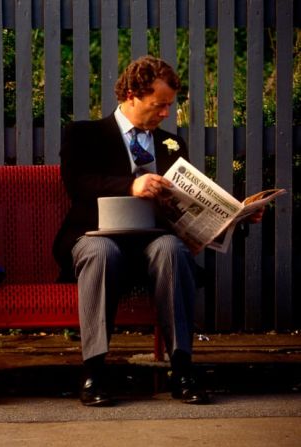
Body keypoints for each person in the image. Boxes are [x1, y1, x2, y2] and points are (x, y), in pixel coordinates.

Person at [53, 55, 263, 407]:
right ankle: (94, 371)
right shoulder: (84, 134)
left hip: (153, 241)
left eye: (169, 106)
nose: (166, 113)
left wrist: (231, 220)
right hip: (95, 237)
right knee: (101, 253)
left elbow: (185, 201)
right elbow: (77, 184)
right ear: (133, 94)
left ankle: (182, 369)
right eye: (159, 105)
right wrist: (131, 185)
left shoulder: (172, 143)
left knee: (172, 249)